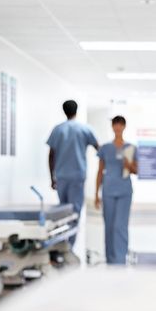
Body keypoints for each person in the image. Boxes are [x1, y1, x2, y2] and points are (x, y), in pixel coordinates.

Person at [47, 100, 99, 246]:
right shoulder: (84, 129)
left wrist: (52, 177)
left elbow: (51, 155)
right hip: (77, 176)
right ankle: (69, 246)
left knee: (63, 212)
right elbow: (99, 149)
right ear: (77, 110)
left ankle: (63, 245)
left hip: (62, 176)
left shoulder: (57, 130)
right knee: (75, 212)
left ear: (64, 111)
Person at [95, 116, 137, 265]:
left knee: (121, 225)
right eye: (115, 125)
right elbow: (100, 171)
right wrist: (96, 194)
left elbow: (136, 170)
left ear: (124, 127)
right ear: (112, 127)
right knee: (109, 226)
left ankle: (120, 259)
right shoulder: (105, 148)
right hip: (108, 190)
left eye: (120, 125)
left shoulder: (131, 148)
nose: (118, 127)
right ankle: (110, 259)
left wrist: (128, 163)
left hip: (124, 191)